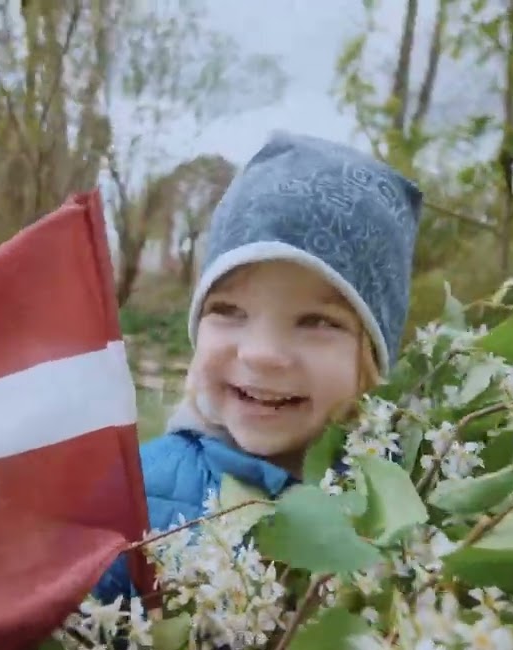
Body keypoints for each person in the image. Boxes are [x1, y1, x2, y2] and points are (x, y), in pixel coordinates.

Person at [94, 129, 422, 603]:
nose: (262, 354)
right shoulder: (135, 497)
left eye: (317, 321)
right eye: (229, 311)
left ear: (370, 356)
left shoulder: (405, 501)